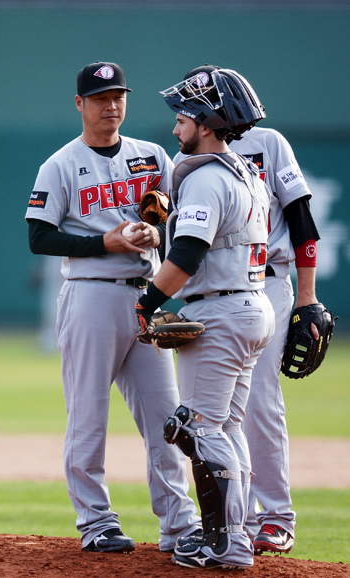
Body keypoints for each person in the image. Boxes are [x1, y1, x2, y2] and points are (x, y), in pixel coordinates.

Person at [25, 61, 201, 554]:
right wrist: (105, 241)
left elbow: (172, 210)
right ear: (80, 104)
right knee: (88, 415)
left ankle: (179, 524)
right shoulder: (60, 165)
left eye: (118, 96)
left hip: (146, 296)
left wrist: (154, 229)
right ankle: (96, 521)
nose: (111, 106)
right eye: (100, 98)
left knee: (167, 417)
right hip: (91, 295)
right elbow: (39, 236)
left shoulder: (152, 156)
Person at [174, 65, 321, 556]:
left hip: (268, 279)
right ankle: (240, 523)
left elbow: (301, 219)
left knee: (252, 402)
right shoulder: (194, 157)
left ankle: (274, 517)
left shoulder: (267, 143)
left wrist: (307, 296)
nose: (179, 120)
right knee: (229, 416)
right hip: (227, 288)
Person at [135, 68, 275, 569]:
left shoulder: (208, 178)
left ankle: (226, 543)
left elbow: (188, 254)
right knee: (225, 427)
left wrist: (148, 302)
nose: (176, 130)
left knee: (196, 427)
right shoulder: (244, 172)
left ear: (208, 123)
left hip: (221, 310)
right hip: (250, 305)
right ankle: (236, 534)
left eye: (183, 119)